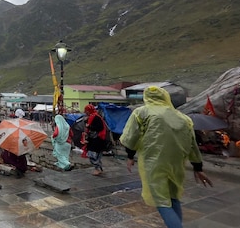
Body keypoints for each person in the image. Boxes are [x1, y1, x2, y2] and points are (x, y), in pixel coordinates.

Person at [120, 86, 212, 228]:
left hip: (154, 162)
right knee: (173, 197)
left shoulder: (142, 112)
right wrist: (198, 167)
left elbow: (131, 136)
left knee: (161, 201)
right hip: (176, 164)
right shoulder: (183, 117)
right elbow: (192, 144)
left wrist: (130, 156)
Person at [83, 104, 106, 176]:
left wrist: (89, 126)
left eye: (86, 111)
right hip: (95, 139)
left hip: (98, 139)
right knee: (97, 155)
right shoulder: (92, 117)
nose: (85, 112)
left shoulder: (95, 117)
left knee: (91, 154)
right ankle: (98, 169)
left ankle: (97, 168)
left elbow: (99, 128)